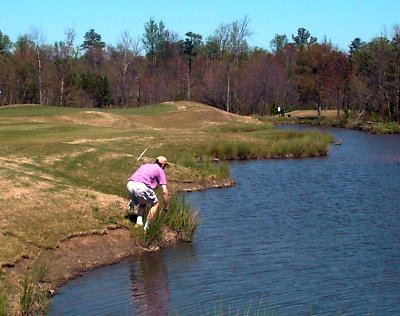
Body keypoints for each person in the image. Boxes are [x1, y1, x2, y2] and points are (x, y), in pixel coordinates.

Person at [127, 156, 169, 230]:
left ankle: (139, 223)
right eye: (165, 165)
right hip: (141, 187)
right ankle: (147, 227)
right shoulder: (160, 170)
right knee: (155, 204)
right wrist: (166, 206)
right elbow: (165, 191)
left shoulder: (145, 165)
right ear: (163, 165)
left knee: (143, 202)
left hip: (129, 184)